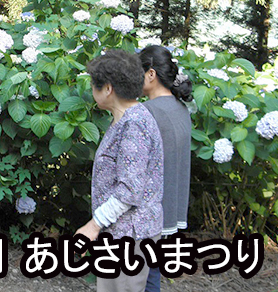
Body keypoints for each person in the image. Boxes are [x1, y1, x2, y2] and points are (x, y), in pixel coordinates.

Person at [75, 49, 163, 292]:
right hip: (126, 232)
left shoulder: (134, 123)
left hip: (131, 236)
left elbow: (130, 189)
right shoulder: (127, 118)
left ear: (108, 89)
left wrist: (93, 226)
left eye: (95, 85)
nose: (93, 91)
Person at [139, 46, 193, 292]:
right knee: (152, 274)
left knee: (145, 278)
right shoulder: (180, 108)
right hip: (171, 208)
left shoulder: (149, 112)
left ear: (151, 74)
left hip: (149, 213)